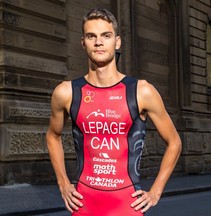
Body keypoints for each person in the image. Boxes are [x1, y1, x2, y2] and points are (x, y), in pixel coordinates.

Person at [46, 7, 181, 216]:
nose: (98, 42)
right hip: (84, 204)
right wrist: (63, 183)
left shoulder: (141, 91)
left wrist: (155, 192)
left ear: (117, 42)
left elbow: (174, 142)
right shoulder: (66, 92)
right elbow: (52, 136)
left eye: (106, 36)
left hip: (126, 205)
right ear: (83, 43)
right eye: (91, 36)